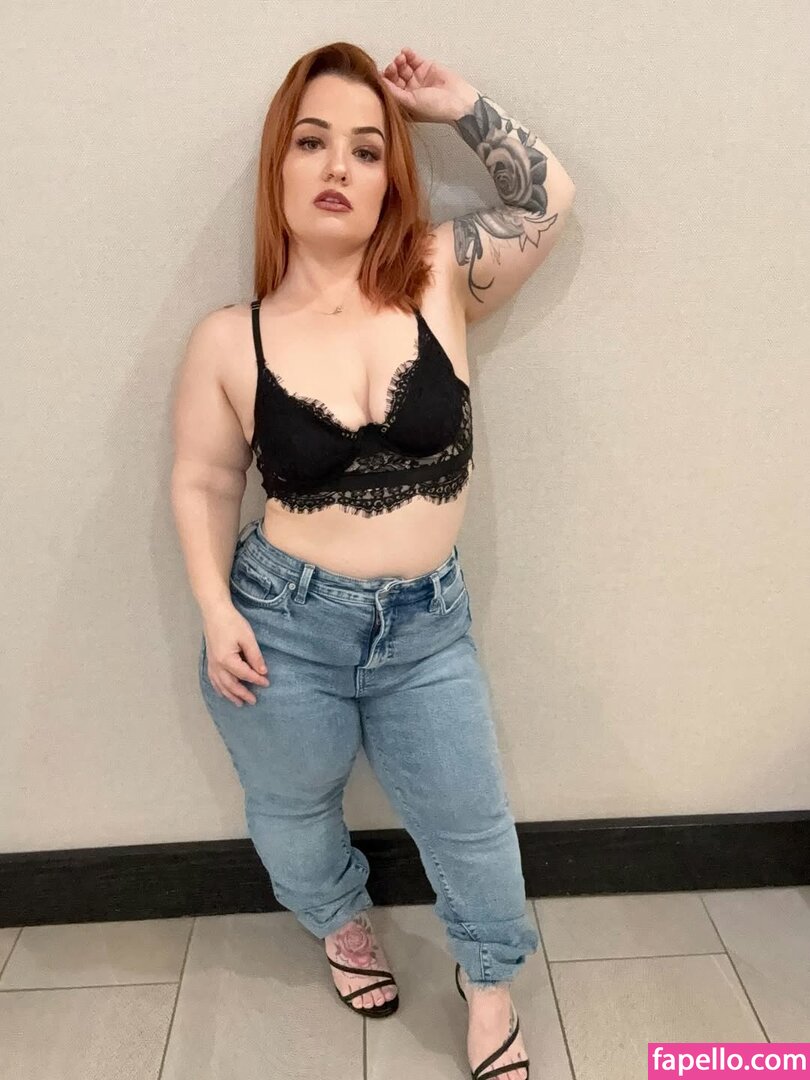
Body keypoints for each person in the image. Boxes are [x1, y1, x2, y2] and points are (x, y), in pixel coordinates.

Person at [171, 40, 575, 1080]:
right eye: (313, 142)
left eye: (366, 148)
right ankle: (338, 921)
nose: (338, 167)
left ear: (391, 175)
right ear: (279, 164)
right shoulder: (229, 339)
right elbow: (205, 482)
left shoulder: (437, 276)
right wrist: (215, 609)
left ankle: (489, 985)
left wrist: (455, 105)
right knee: (293, 808)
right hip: (280, 627)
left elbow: (547, 201)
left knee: (471, 822)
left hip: (427, 629)